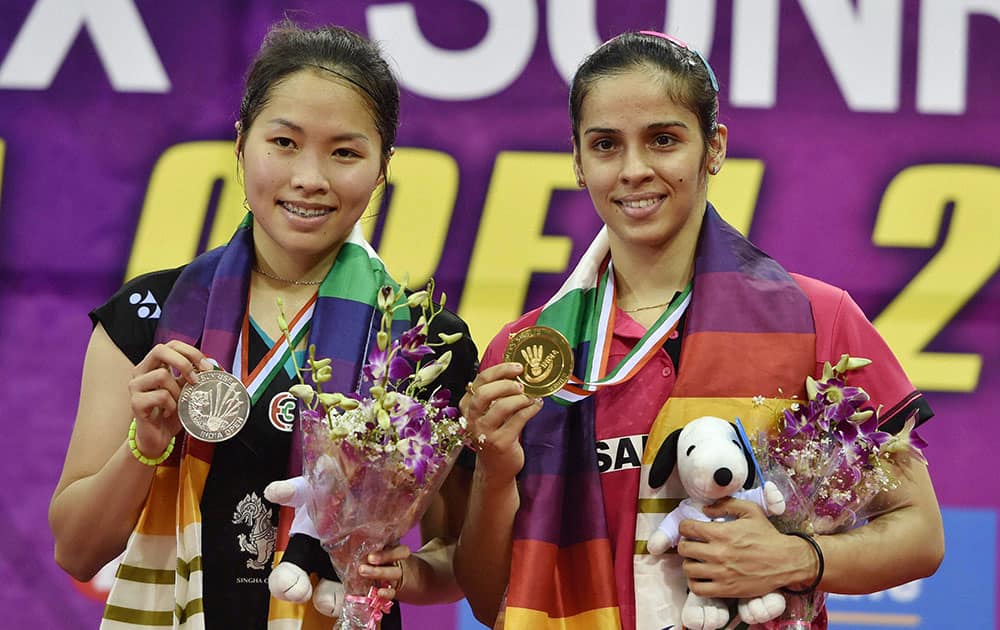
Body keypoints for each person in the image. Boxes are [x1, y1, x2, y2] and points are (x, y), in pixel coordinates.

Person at [453, 31, 944, 630]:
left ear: (714, 148)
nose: (634, 170)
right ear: (578, 163)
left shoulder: (819, 319)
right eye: (606, 145)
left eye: (663, 140)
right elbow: (486, 599)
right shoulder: (528, 354)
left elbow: (919, 533)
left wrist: (797, 558)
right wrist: (496, 471)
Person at [48, 21, 477, 630]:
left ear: (382, 168)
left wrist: (399, 574)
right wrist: (143, 447)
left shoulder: (417, 342)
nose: (310, 177)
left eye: (346, 152)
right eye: (284, 142)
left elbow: (463, 562)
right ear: (242, 142)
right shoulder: (149, 316)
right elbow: (76, 549)